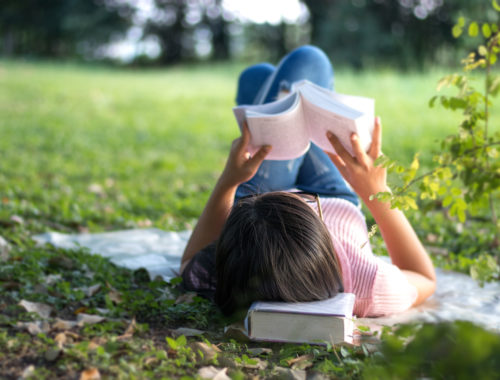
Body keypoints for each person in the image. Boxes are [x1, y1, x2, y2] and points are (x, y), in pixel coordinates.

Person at [180, 45, 436, 317]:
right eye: (304, 204)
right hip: (334, 197)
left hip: (257, 211)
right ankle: (274, 100)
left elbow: (188, 263)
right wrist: (375, 192)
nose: (293, 194)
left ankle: (267, 114)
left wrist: (229, 182)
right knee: (306, 61)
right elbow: (424, 277)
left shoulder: (235, 269)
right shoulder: (368, 284)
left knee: (256, 77)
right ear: (328, 250)